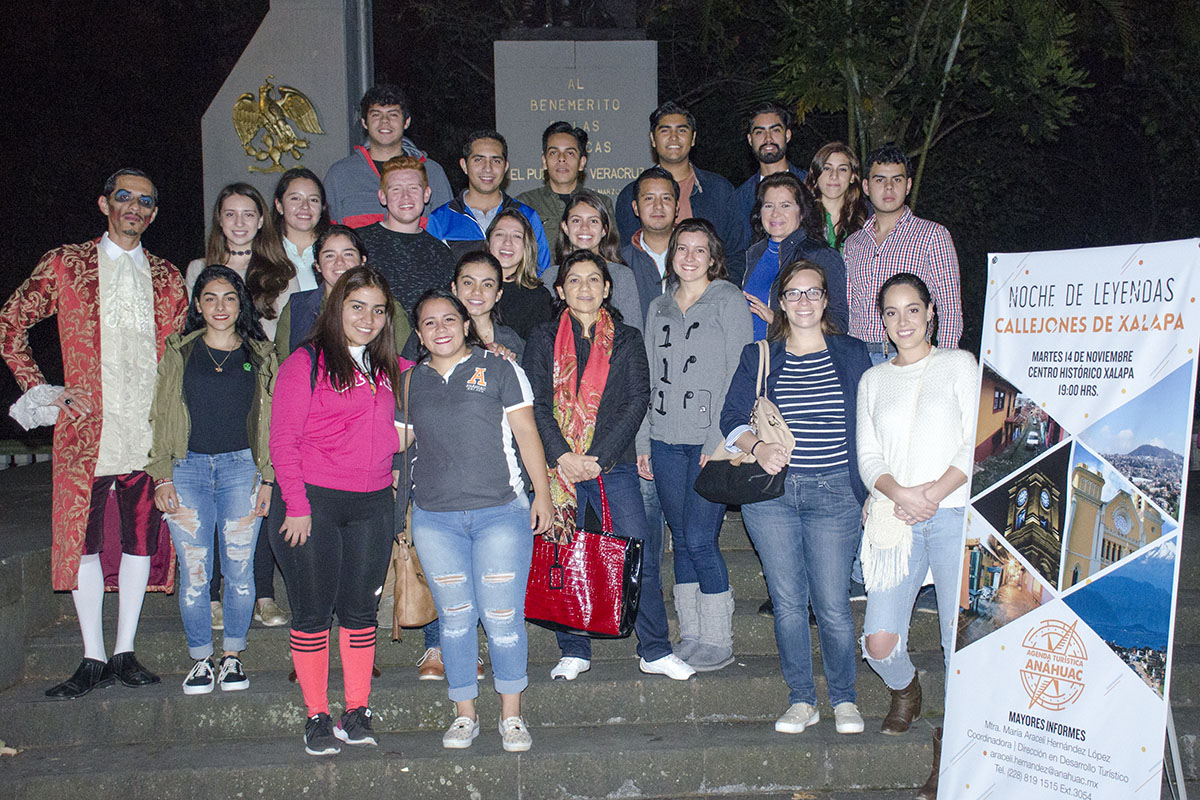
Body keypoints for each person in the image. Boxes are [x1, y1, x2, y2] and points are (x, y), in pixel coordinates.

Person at [0, 168, 188, 698]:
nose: (134, 207)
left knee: (140, 538)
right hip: (87, 432)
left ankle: (124, 650)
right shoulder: (67, 263)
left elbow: (178, 357)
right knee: (83, 543)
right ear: (105, 203)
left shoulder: (168, 277)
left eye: (145, 201)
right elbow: (10, 324)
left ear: (154, 213)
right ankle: (92, 655)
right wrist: (46, 391)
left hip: (147, 434)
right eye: (124, 197)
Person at [524, 251, 694, 682]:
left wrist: (597, 458)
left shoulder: (628, 338)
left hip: (612, 465)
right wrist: (563, 455)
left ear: (607, 288)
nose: (584, 287)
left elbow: (637, 400)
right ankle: (573, 649)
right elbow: (537, 403)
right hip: (558, 468)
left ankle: (654, 649)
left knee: (638, 552)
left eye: (593, 279)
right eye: (574, 280)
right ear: (560, 290)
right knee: (565, 553)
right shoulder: (542, 338)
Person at [720, 259, 871, 735]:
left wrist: (872, 488)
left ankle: (844, 699)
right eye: (793, 293)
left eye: (813, 292)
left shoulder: (852, 352)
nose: (803, 301)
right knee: (787, 603)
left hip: (835, 493)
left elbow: (871, 422)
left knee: (832, 603)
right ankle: (802, 699)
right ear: (781, 303)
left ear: (826, 300)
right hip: (773, 496)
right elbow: (731, 419)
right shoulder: (760, 355)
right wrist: (758, 447)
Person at [399, 288, 553, 752]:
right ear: (419, 334)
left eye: (449, 319)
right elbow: (395, 445)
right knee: (455, 620)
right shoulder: (408, 383)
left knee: (503, 619)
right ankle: (464, 714)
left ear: (466, 324)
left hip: (500, 514)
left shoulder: (501, 368)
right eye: (429, 322)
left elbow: (527, 433)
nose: (440, 328)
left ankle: (511, 716)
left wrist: (542, 496)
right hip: (435, 520)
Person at [269, 266, 413, 756]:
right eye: (357, 307)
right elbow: (283, 441)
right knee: (313, 612)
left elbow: (444, 365)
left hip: (372, 504)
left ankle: (357, 710)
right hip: (312, 503)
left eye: (378, 310)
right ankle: (316, 714)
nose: (368, 319)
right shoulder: (306, 362)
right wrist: (296, 505)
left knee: (360, 611)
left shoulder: (391, 368)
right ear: (337, 308)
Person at [857, 272, 976, 799]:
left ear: (931, 312)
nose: (902, 321)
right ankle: (906, 688)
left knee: (960, 641)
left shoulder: (960, 365)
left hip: (953, 515)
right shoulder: (873, 380)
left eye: (912, 309)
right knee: (878, 643)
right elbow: (868, 456)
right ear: (881, 321)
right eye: (891, 312)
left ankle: (952, 750)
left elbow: (976, 441)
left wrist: (932, 493)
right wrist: (900, 493)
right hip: (894, 517)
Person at [147, 266, 277, 694]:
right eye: (210, 298)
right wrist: (161, 475)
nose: (220, 307)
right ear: (198, 305)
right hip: (187, 470)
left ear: (241, 305)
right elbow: (161, 414)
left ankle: (233, 656)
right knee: (195, 572)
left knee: (239, 570)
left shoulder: (261, 354)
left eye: (229, 298)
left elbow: (273, 420)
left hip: (242, 469)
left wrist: (268, 478)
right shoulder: (179, 351)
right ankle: (201, 659)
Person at [637, 219, 753, 672]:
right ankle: (691, 634)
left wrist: (719, 440)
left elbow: (738, 373)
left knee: (702, 538)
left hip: (711, 440)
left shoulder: (727, 299)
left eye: (699, 249)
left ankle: (718, 638)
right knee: (681, 538)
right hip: (664, 439)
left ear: (712, 257)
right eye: (681, 248)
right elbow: (647, 375)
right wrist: (643, 438)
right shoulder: (659, 306)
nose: (689, 257)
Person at [843, 144, 962, 361]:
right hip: (858, 357)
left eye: (896, 180)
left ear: (908, 186)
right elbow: (848, 309)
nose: (889, 187)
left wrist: (944, 364)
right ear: (866, 186)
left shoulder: (932, 235)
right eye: (880, 180)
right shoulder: (854, 243)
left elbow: (950, 309)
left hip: (909, 356)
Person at [615, 102, 746, 274]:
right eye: (665, 131)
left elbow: (737, 255)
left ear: (693, 138)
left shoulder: (720, 191)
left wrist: (721, 288)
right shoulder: (630, 195)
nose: (674, 137)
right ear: (653, 139)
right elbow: (625, 259)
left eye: (682, 130)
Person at [323, 83, 452, 227]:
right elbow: (324, 231)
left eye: (393, 114)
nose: (385, 121)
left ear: (406, 122)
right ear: (364, 122)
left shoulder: (432, 173)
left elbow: (448, 231)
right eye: (376, 115)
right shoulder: (340, 175)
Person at [426, 130, 551, 274]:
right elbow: (431, 274)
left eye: (496, 161)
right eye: (478, 160)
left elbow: (541, 272)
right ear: (464, 165)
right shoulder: (441, 219)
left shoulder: (526, 215)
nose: (487, 168)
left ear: (505, 167)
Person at [276, 225, 412, 357]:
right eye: (330, 256)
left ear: (362, 260)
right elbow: (282, 362)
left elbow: (404, 362)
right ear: (317, 265)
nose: (339, 262)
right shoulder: (297, 305)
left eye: (348, 254)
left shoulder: (387, 307)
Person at [742, 173, 849, 340]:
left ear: (802, 212)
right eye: (768, 206)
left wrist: (777, 322)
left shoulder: (820, 256)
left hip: (795, 354)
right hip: (754, 353)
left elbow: (838, 324)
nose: (775, 214)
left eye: (785, 205)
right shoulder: (752, 254)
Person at [357, 156, 456, 315]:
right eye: (396, 189)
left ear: (426, 194)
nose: (405, 196)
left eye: (413, 188)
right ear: (383, 197)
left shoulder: (442, 254)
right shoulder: (358, 244)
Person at [541, 189, 643, 333]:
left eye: (593, 221)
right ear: (565, 227)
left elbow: (634, 334)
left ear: (604, 229)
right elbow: (543, 333)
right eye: (576, 220)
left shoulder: (621, 275)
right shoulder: (551, 276)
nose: (584, 227)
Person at [515, 121, 615, 253]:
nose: (561, 159)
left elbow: (610, 252)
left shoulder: (602, 203)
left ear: (582, 163)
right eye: (553, 153)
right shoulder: (525, 203)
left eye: (570, 153)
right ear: (544, 161)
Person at [732, 102, 808, 271]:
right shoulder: (740, 198)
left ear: (787, 135)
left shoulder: (810, 185)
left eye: (775, 130)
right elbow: (738, 254)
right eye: (759, 132)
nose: (768, 138)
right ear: (750, 139)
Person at [184, 183, 291, 297]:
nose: (239, 223)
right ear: (220, 219)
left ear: (260, 221)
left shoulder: (281, 271)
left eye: (248, 215)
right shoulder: (198, 269)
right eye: (230, 214)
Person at [259, 168, 330, 339]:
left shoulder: (336, 253)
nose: (305, 206)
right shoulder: (262, 252)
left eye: (313, 200)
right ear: (279, 205)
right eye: (295, 198)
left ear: (322, 208)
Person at [620, 166, 678, 324]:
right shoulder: (620, 262)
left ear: (677, 207)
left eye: (666, 198)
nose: (658, 206)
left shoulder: (697, 258)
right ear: (635, 208)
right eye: (649, 198)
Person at [487, 208, 554, 340]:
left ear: (527, 246)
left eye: (517, 236)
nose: (507, 242)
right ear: (488, 242)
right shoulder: (468, 286)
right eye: (500, 234)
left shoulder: (538, 298)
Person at [450, 251, 525, 360]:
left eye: (487, 285)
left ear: (498, 294)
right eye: (468, 283)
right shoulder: (441, 334)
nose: (477, 291)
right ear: (454, 289)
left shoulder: (511, 341)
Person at [804, 142, 869, 252]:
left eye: (842, 169)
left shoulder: (867, 218)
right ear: (816, 174)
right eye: (827, 168)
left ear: (852, 177)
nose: (834, 176)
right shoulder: (801, 216)